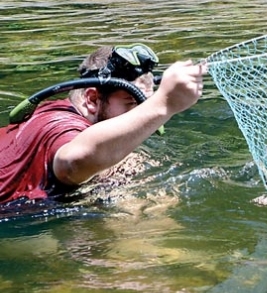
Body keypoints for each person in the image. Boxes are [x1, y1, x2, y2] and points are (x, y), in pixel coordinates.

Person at [0, 44, 206, 205]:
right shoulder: (60, 126)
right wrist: (164, 104)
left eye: (146, 104)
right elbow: (72, 162)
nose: (141, 115)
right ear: (91, 99)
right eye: (132, 103)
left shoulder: (54, 110)